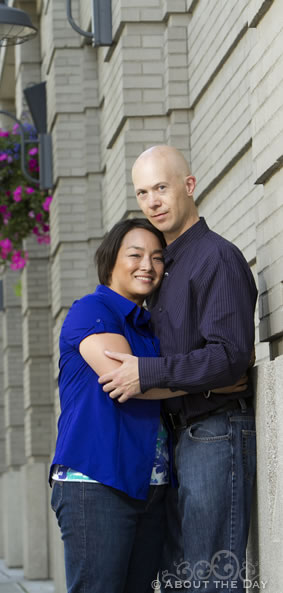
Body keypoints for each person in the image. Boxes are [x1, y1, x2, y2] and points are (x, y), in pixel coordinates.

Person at [98, 145, 257, 593]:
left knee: (211, 576)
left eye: (162, 188)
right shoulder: (164, 267)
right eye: (143, 192)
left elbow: (228, 355)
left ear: (189, 186)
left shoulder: (215, 258)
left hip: (215, 428)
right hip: (179, 436)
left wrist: (147, 373)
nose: (152, 202)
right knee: (181, 577)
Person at [50, 218, 183, 593]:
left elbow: (150, 378)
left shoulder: (148, 324)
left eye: (158, 258)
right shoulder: (91, 310)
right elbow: (129, 382)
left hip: (150, 485)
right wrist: (208, 379)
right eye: (136, 255)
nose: (148, 265)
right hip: (96, 482)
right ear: (110, 262)